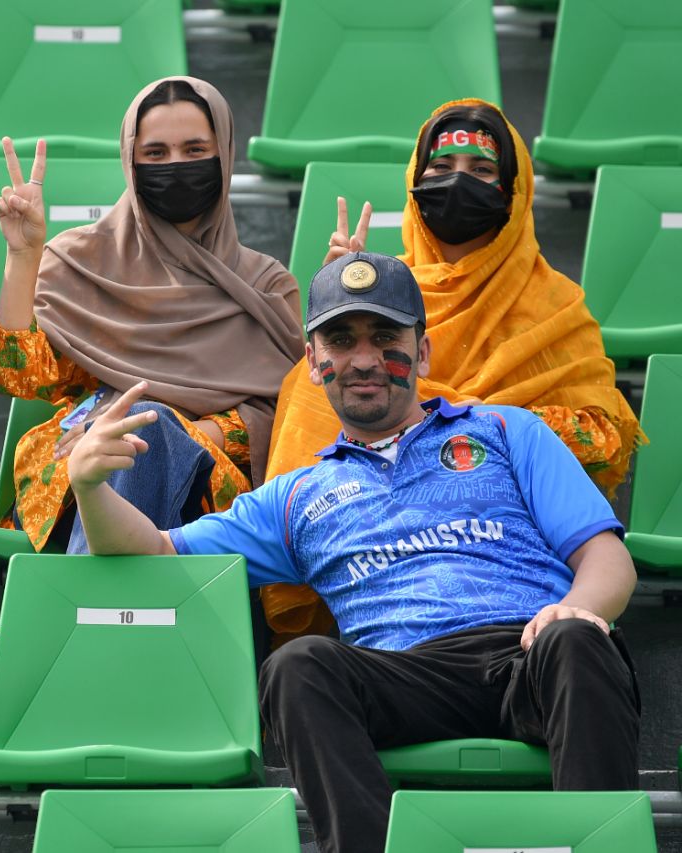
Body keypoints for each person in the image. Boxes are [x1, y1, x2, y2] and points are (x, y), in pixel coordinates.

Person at [68, 251, 640, 853]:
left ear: (421, 352)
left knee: (580, 639)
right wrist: (89, 489)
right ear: (314, 363)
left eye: (385, 337)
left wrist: (576, 610)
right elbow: (157, 552)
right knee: (298, 666)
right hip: (407, 677)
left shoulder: (504, 431)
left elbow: (606, 559)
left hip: (532, 653)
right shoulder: (295, 497)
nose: (364, 359)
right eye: (340, 340)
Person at [259, 98, 643, 644]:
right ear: (416, 183)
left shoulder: (557, 307)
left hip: (515, 566)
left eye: (482, 171)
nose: (458, 183)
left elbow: (600, 442)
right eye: (440, 169)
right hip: (380, 567)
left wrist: (448, 423)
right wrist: (336, 313)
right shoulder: (391, 305)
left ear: (514, 190)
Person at [0, 76, 301, 553]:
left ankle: (94, 613)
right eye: (156, 154)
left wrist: (162, 429)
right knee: (121, 449)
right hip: (81, 478)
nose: (175, 166)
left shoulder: (265, 285)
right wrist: (23, 256)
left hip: (209, 495)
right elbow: (19, 378)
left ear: (225, 156)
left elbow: (285, 418)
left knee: (142, 432)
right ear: (132, 163)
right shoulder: (79, 259)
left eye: (195, 150)